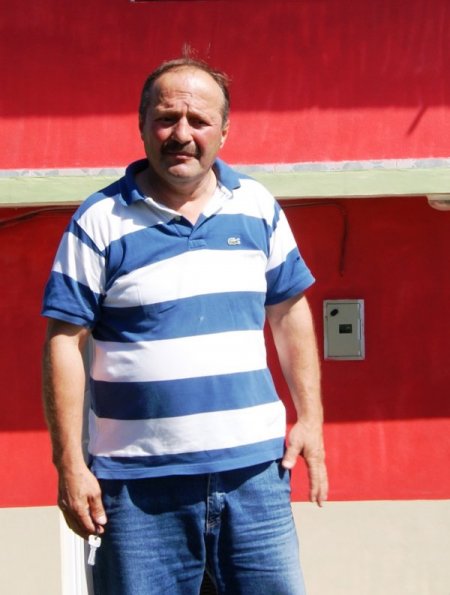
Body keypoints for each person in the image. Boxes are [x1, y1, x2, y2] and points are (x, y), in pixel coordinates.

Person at [42, 57, 328, 595]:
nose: (182, 134)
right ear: (142, 124)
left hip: (254, 479)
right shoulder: (98, 221)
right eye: (167, 118)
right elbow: (64, 342)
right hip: (138, 493)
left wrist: (310, 419)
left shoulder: (258, 207)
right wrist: (69, 463)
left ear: (224, 130)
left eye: (199, 121)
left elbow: (289, 313)